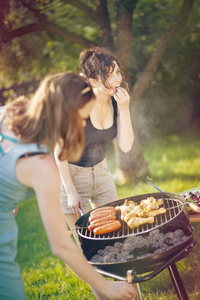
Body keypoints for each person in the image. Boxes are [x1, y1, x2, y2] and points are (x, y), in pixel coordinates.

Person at [0, 71, 137, 300]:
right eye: (82, 118)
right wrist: (105, 287)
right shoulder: (42, 165)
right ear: (66, 116)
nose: (84, 124)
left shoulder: (13, 112)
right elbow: (61, 245)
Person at [55, 47, 134, 244]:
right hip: (72, 176)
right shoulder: (78, 105)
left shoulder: (116, 103)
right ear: (93, 81)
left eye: (117, 72)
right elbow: (59, 150)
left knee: (114, 236)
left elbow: (126, 147)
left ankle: (120, 275)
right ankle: (96, 275)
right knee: (87, 241)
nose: (117, 79)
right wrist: (71, 191)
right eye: (109, 75)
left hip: (102, 172)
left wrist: (124, 111)